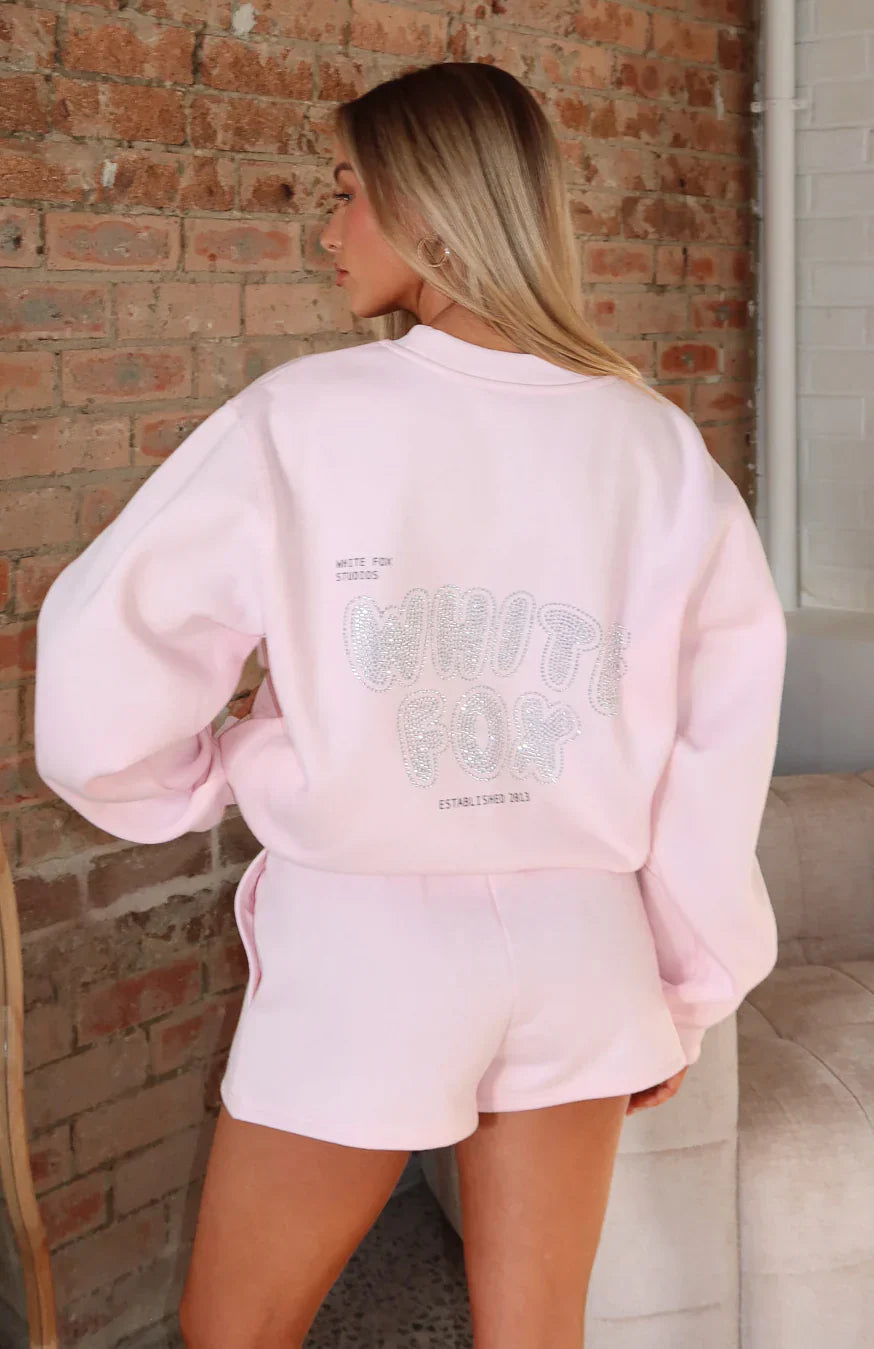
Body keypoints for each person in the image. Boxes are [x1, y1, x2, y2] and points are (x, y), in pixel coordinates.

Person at [32, 61, 787, 1349]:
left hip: (367, 949)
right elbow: (717, 747)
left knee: (235, 1335)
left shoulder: (302, 420)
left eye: (346, 193)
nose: (326, 230)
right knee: (538, 1335)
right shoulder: (656, 444)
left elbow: (109, 668)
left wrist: (207, 774)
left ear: (432, 205)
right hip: (585, 944)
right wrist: (686, 988)